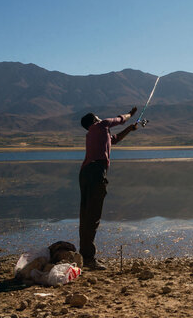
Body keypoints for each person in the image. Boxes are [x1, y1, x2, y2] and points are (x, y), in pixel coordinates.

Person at [79, 107, 140, 270]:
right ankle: (88, 259)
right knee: (93, 215)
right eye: (98, 117)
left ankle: (84, 256)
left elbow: (115, 139)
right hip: (95, 173)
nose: (100, 118)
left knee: (86, 214)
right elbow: (119, 119)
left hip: (85, 173)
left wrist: (129, 129)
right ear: (95, 120)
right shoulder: (100, 126)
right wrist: (130, 114)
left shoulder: (95, 134)